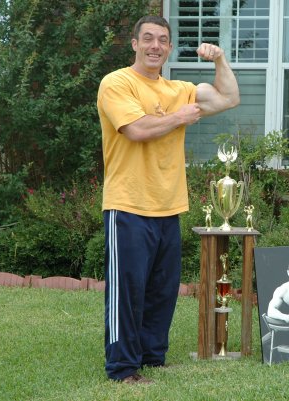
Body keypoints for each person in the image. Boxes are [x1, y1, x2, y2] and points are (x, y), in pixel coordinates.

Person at [97, 15, 240, 384]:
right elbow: (137, 129)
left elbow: (229, 97)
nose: (155, 46)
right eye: (148, 39)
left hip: (168, 206)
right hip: (127, 206)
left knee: (162, 291)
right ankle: (123, 368)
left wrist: (220, 60)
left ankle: (152, 357)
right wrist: (179, 117)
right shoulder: (117, 83)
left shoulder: (179, 88)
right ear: (134, 44)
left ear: (170, 47)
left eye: (162, 40)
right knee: (126, 292)